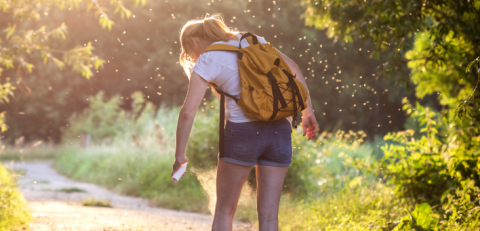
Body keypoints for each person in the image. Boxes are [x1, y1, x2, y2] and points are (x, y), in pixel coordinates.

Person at [172, 14, 318, 231]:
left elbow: (187, 113)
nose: (191, 57)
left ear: (193, 41)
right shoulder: (254, 40)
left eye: (187, 52)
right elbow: (293, 68)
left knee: (225, 210)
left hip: (242, 133)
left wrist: (180, 155)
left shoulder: (209, 58)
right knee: (269, 217)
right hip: (280, 131)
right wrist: (308, 111)